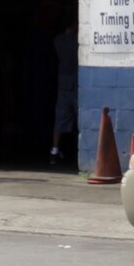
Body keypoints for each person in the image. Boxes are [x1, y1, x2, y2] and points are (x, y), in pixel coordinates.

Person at [50, 24, 78, 166]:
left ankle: (54, 151)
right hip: (75, 86)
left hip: (64, 86)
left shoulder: (58, 41)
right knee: (80, 120)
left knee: (59, 122)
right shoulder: (75, 41)